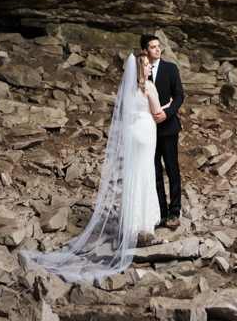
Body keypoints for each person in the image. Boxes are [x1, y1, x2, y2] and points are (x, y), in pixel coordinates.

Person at [22, 51, 164, 283]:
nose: (150, 68)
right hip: (147, 133)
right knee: (146, 173)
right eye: (147, 65)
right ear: (141, 69)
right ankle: (144, 225)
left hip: (133, 133)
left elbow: (126, 114)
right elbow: (157, 112)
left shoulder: (127, 88)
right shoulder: (149, 87)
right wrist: (166, 108)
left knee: (134, 175)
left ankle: (132, 222)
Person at [142, 32, 184, 229]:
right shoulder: (141, 71)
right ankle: (161, 212)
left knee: (172, 169)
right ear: (145, 51)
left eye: (159, 46)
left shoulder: (170, 68)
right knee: (155, 172)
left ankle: (175, 212)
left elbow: (179, 96)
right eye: (152, 46)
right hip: (148, 131)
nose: (157, 49)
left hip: (168, 128)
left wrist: (167, 114)